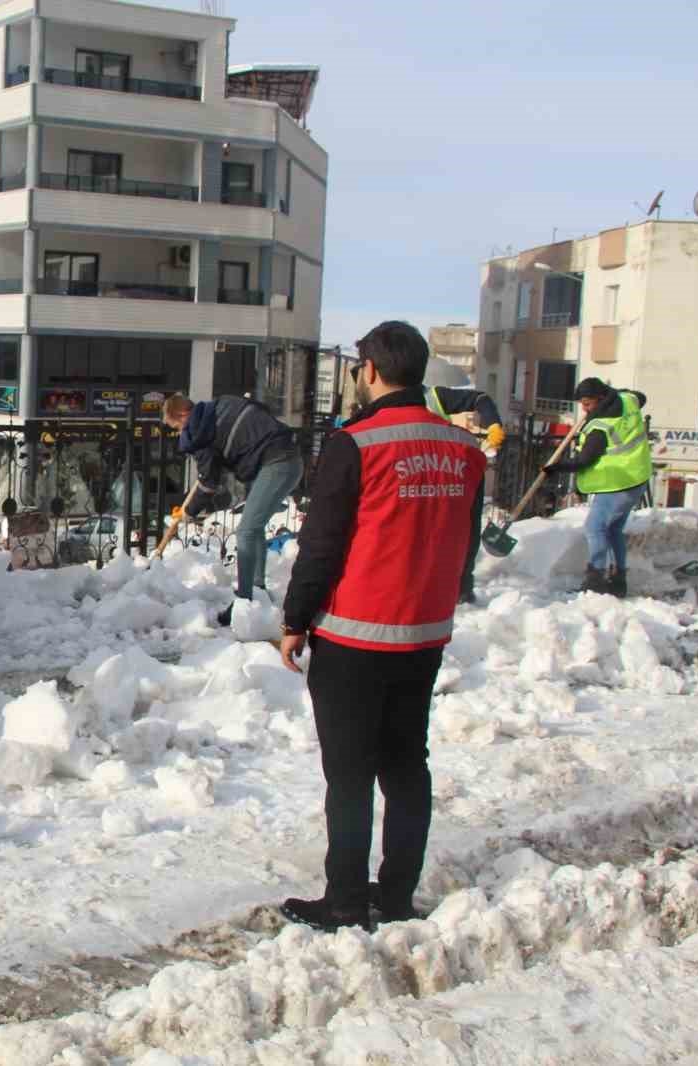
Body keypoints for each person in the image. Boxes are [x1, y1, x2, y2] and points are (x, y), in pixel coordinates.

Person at [277, 321, 486, 932]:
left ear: (368, 369)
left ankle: (344, 900)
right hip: (424, 632)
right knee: (405, 764)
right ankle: (395, 896)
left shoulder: (358, 442)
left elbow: (322, 543)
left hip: (355, 633)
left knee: (348, 775)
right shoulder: (463, 448)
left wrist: (295, 618)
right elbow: (464, 544)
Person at [162, 392, 303, 626]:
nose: (179, 433)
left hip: (277, 463)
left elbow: (209, 482)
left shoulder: (199, 430)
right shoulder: (222, 405)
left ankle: (244, 600)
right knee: (254, 529)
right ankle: (257, 590)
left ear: (183, 414)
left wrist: (189, 512)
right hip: (288, 458)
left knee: (246, 531)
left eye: (176, 427)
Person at [542, 377, 652, 598]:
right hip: (637, 477)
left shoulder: (600, 427)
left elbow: (584, 460)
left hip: (616, 483)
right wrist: (614, 393)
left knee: (595, 528)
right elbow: (641, 397)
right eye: (582, 403)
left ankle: (596, 580)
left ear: (601, 398)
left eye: (588, 403)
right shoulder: (628, 400)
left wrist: (556, 467)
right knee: (612, 529)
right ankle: (618, 580)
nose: (584, 407)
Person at [417, 358, 505, 604]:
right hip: (420, 473)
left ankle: (462, 587)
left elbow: (481, 400)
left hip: (455, 469)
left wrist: (493, 424)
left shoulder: (435, 396)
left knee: (466, 529)